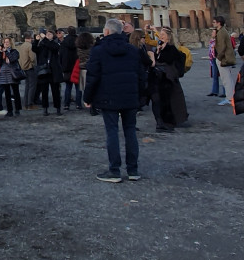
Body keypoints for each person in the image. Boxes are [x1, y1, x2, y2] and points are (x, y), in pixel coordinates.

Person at [84, 19, 148, 183]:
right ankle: (133, 170)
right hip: (129, 96)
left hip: (108, 97)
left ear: (106, 32)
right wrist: (141, 96)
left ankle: (114, 170)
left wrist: (88, 98)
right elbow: (141, 75)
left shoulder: (98, 51)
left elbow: (93, 76)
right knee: (130, 131)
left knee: (112, 132)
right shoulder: (133, 50)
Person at [148, 28, 189, 132]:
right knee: (163, 99)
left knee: (171, 100)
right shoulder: (160, 47)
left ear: (169, 37)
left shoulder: (171, 48)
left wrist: (161, 51)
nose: (161, 36)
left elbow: (166, 59)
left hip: (168, 78)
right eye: (160, 35)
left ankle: (171, 120)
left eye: (163, 35)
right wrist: (158, 51)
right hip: (161, 78)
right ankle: (164, 120)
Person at [31, 28, 62, 116]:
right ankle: (45, 108)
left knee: (55, 91)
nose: (48, 35)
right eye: (47, 34)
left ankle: (58, 108)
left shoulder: (55, 43)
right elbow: (35, 50)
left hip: (53, 71)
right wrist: (36, 41)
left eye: (50, 34)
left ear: (53, 35)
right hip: (44, 70)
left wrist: (44, 39)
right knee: (44, 91)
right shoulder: (43, 44)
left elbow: (53, 47)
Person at [213, 17, 237, 107]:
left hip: (223, 58)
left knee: (226, 79)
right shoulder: (222, 31)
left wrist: (218, 57)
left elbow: (222, 47)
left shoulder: (222, 32)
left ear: (219, 23)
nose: (213, 24)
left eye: (214, 22)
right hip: (224, 57)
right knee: (227, 79)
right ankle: (230, 97)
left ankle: (229, 98)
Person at [0, 37, 23, 118]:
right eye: (5, 42)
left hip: (12, 73)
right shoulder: (2, 52)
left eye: (7, 42)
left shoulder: (15, 51)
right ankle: (9, 110)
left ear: (11, 43)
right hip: (4, 74)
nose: (6, 43)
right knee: (7, 93)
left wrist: (6, 52)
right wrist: (0, 53)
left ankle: (17, 109)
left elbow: (12, 59)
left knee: (15, 92)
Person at [57, 28, 78, 111]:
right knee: (78, 87)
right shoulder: (78, 41)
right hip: (76, 66)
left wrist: (61, 66)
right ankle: (78, 104)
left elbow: (61, 55)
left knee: (68, 87)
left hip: (67, 67)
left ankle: (66, 104)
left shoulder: (64, 43)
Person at [17, 32, 38, 109]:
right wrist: (34, 64)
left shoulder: (21, 46)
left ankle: (26, 103)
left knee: (27, 86)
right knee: (32, 86)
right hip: (30, 67)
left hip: (23, 67)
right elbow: (32, 58)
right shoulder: (30, 46)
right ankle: (30, 103)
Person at [205, 28, 225, 97]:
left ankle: (225, 92)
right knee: (214, 76)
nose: (212, 34)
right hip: (213, 59)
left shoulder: (218, 41)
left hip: (218, 58)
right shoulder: (212, 41)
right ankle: (214, 91)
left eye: (213, 32)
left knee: (223, 76)